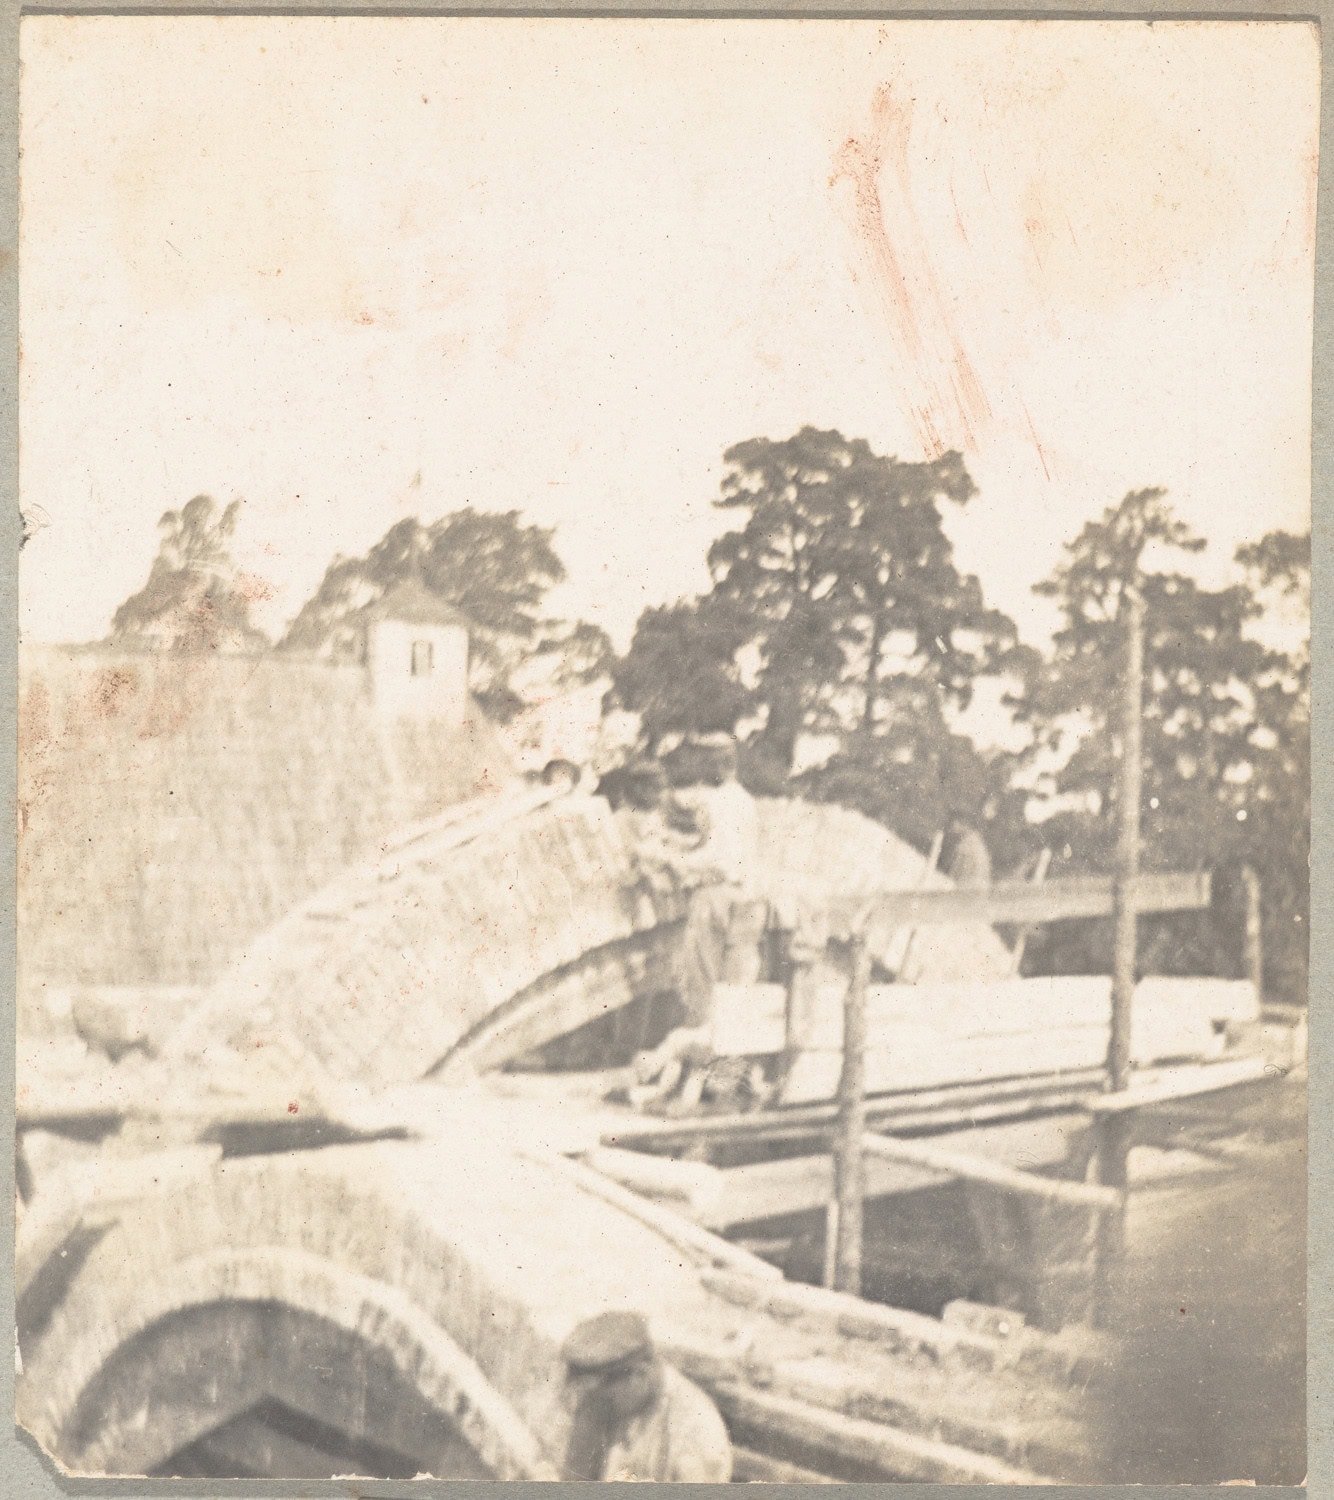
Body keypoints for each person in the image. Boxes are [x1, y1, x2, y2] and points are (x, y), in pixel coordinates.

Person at [630, 734, 762, 1109]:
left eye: (706, 764)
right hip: (745, 900)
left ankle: (701, 1085)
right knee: (735, 993)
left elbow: (715, 859)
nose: (701, 773)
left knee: (701, 989)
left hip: (716, 897)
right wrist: (674, 845)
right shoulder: (744, 801)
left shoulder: (718, 802)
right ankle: (722, 1085)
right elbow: (710, 845)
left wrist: (667, 859)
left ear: (721, 764)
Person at [560, 1310, 732, 1482]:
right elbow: (574, 1479)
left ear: (639, 1374)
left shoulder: (696, 1431)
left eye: (608, 1398)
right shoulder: (605, 1400)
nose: (597, 1405)